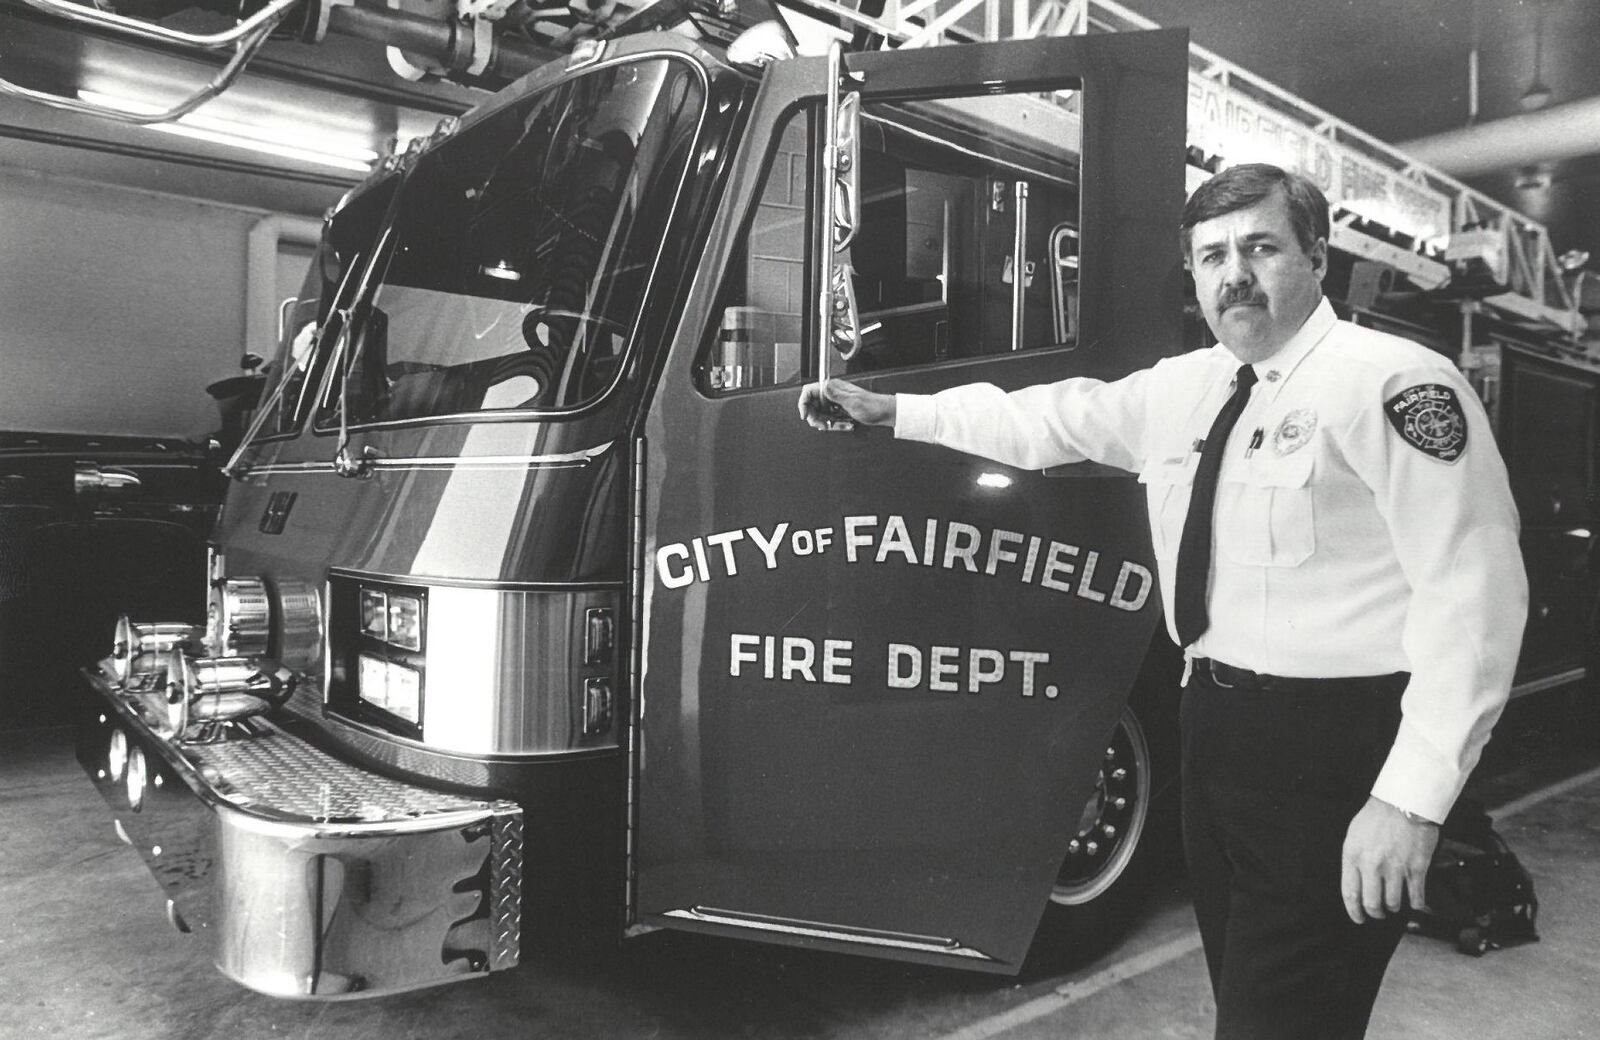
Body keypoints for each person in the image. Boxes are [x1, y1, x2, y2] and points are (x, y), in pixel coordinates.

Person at [798, 163, 1527, 1040]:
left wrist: (1409, 802)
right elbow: (1045, 422)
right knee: (1258, 1005)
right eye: (1212, 256)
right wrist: (897, 414)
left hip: (1335, 754)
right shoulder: (1187, 387)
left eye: (1261, 247)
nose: (1235, 276)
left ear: (1318, 258)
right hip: (1214, 737)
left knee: (1281, 1022)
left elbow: (1475, 598)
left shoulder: (1395, 384)